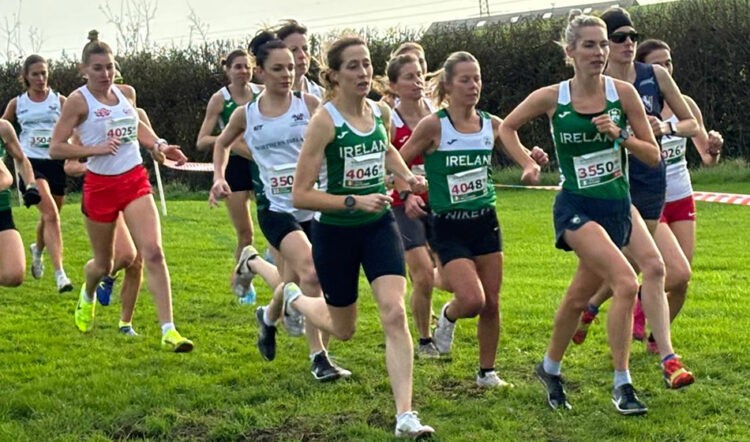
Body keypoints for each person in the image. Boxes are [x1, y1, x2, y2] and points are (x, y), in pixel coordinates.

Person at [499, 10, 660, 414]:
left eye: (603, 44)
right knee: (625, 282)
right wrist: (527, 163)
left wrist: (620, 135)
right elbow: (507, 127)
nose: (600, 52)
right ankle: (623, 385)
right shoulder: (554, 97)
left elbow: (653, 155)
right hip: (575, 206)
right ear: (570, 51)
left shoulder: (623, 94)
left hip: (617, 206)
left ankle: (549, 367)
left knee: (576, 299)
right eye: (589, 45)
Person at [281, 36, 434, 438]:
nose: (364, 72)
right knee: (343, 329)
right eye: (353, 66)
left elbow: (385, 151)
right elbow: (301, 194)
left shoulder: (381, 113)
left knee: (393, 311)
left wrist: (405, 179)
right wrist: (352, 201)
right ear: (333, 75)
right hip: (336, 233)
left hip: (380, 226)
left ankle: (405, 415)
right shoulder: (324, 122)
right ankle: (295, 299)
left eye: (367, 64)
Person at [399, 50, 547, 387]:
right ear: (448, 86)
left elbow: (524, 157)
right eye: (465, 79)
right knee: (472, 299)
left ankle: (486, 372)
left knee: (492, 302)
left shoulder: (492, 124)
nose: (473, 85)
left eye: (477, 78)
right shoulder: (434, 125)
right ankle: (448, 316)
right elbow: (397, 161)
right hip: (449, 225)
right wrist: (408, 189)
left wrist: (532, 160)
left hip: (485, 221)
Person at [211, 31, 350, 381]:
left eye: (290, 67)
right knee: (311, 273)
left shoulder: (310, 106)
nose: (287, 74)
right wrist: (218, 176)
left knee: (288, 282)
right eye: (277, 69)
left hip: (313, 207)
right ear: (260, 72)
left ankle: (266, 307)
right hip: (276, 209)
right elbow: (221, 144)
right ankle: (319, 358)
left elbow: (333, 144)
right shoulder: (247, 114)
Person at [573, 7, 696, 390]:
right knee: (653, 270)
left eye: (632, 37)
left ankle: (591, 311)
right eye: (619, 38)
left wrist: (668, 125)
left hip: (650, 183)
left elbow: (693, 123)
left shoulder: (654, 76)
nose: (628, 44)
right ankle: (662, 358)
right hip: (615, 189)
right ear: (604, 46)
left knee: (661, 271)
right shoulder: (595, 84)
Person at [49, 30, 192, 352]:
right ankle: (87, 293)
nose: (105, 74)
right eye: (98, 68)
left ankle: (169, 330)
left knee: (152, 252)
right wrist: (95, 149)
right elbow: (56, 149)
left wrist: (159, 145)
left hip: (134, 180)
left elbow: (135, 125)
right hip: (100, 187)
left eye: (110, 66)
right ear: (83, 69)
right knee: (104, 263)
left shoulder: (124, 93)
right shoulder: (77, 101)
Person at [634, 38, 723, 329]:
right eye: (658, 64)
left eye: (668, 62)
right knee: (675, 272)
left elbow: (707, 159)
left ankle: (654, 339)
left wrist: (714, 148)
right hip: (652, 199)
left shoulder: (686, 105)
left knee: (682, 281)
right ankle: (634, 301)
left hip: (682, 196)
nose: (665, 68)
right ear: (645, 69)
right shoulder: (634, 102)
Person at [2, 54, 72, 292]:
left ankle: (38, 249)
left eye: (44, 73)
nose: (41, 78)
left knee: (50, 217)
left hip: (56, 162)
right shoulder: (17, 103)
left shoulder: (60, 101)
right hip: (31, 165)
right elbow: (4, 133)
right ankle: (60, 274)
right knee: (51, 214)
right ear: (26, 77)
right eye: (35, 74)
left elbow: (76, 125)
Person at [383, 53, 439, 358]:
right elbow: (387, 163)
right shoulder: (390, 121)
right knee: (423, 274)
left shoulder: (437, 114)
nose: (417, 82)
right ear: (393, 85)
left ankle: (428, 309)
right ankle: (425, 340)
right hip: (401, 204)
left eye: (420, 75)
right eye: (408, 77)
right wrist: (407, 192)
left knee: (447, 274)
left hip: (440, 201)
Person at [197, 48, 263, 300]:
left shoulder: (262, 93)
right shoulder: (220, 99)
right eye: (238, 67)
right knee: (246, 233)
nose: (243, 71)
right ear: (228, 70)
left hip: (259, 163)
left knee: (278, 221)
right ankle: (243, 282)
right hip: (233, 167)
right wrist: (231, 141)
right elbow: (202, 141)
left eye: (247, 66)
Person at [64, 158, 142, 336]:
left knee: (138, 261)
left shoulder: (137, 128)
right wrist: (96, 168)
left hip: (134, 188)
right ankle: (91, 286)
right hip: (103, 191)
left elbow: (150, 144)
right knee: (125, 255)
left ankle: (125, 324)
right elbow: (70, 166)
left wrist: (159, 149)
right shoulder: (82, 129)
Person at [0, 119, 42, 287]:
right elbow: (5, 178)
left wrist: (31, 185)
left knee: (13, 275)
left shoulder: (3, 127)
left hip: (2, 210)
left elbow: (21, 159)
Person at [275, 19, 325, 98]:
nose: (302, 55)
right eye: (294, 50)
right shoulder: (269, 98)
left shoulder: (322, 95)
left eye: (305, 48)